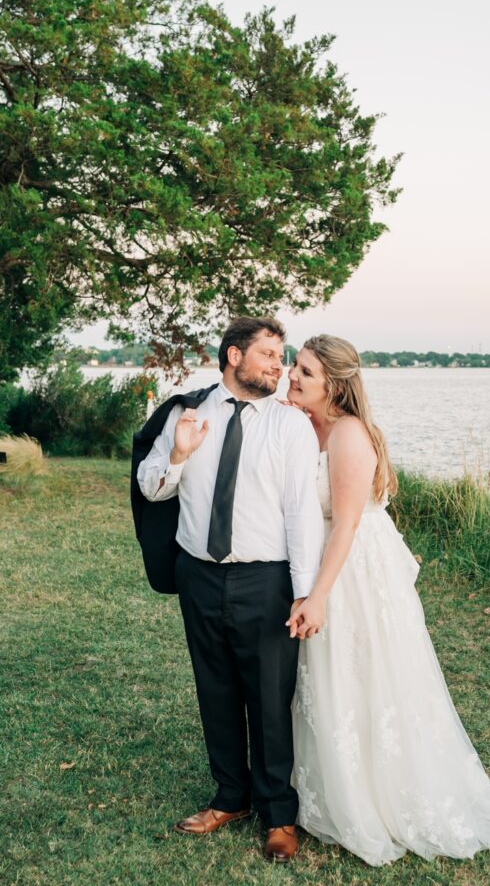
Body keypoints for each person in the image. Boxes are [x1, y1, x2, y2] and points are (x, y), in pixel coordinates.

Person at [285, 335, 490, 866]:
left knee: (365, 672)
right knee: (327, 676)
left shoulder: (348, 435)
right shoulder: (302, 422)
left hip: (353, 569)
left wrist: (318, 594)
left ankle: (379, 792)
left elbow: (344, 523)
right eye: (295, 367)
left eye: (306, 373)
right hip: (322, 557)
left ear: (335, 386)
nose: (293, 377)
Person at [137, 317, 323, 863]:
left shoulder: (291, 427)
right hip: (198, 572)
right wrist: (179, 453)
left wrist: (305, 591)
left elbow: (301, 513)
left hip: (265, 578)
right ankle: (229, 797)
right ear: (233, 356)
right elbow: (151, 489)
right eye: (267, 353)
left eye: (282, 355)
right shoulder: (186, 413)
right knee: (214, 689)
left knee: (269, 696)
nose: (278, 365)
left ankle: (279, 814)